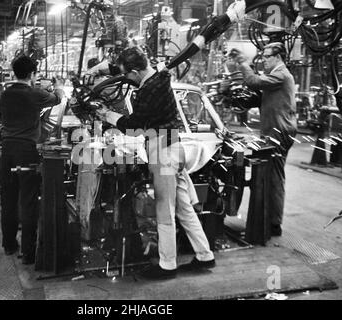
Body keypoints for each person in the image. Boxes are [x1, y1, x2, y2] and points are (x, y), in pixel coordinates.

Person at [96, 47, 215, 280]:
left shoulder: (149, 89)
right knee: (183, 207)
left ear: (135, 71)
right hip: (173, 148)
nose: (126, 80)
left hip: (163, 152)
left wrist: (107, 115)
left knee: (164, 210)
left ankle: (167, 265)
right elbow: (124, 74)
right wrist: (98, 69)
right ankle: (204, 254)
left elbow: (135, 125)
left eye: (127, 75)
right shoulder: (158, 77)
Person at [0, 54, 63, 264]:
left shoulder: (5, 93)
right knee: (28, 201)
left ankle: (9, 245)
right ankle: (28, 252)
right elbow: (59, 98)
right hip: (27, 152)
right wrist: (58, 86)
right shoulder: (34, 93)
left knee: (8, 199)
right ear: (32, 74)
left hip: (6, 152)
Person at [229, 43, 297, 236]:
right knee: (269, 176)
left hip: (279, 132)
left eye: (267, 57)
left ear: (278, 57)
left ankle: (274, 224)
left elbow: (254, 82)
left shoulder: (281, 74)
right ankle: (269, 219)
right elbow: (258, 94)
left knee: (274, 177)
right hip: (273, 131)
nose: (264, 60)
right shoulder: (275, 77)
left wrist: (243, 63)